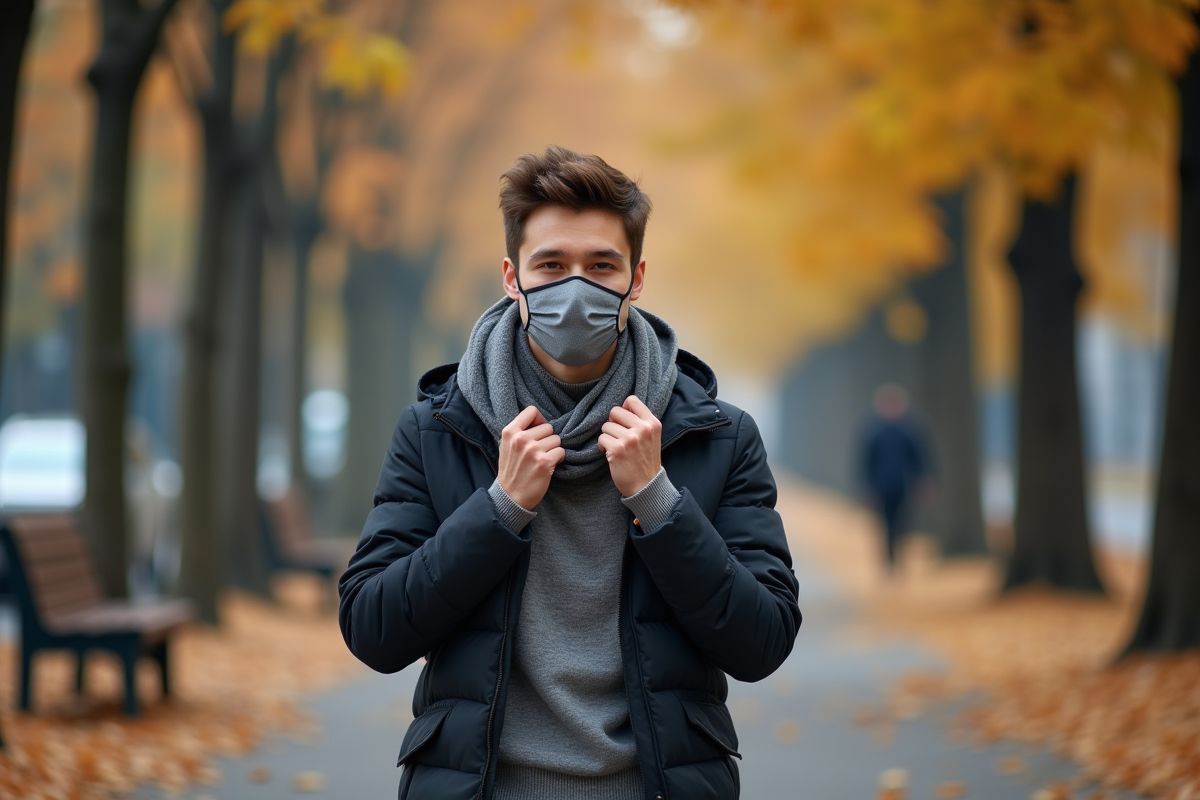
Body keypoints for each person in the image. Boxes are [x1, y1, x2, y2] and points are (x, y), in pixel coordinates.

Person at [338, 145, 801, 800]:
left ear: (635, 279)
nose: (575, 288)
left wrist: (660, 503)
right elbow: (372, 629)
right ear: (511, 276)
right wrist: (498, 510)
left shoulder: (716, 439)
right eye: (550, 265)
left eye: (601, 266)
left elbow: (763, 642)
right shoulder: (439, 430)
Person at [858, 383, 931, 574]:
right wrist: (866, 486)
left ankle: (900, 559)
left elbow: (918, 458)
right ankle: (889, 560)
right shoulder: (874, 432)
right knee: (885, 524)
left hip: (902, 486)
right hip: (880, 487)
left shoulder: (909, 430)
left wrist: (921, 480)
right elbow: (866, 462)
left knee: (902, 524)